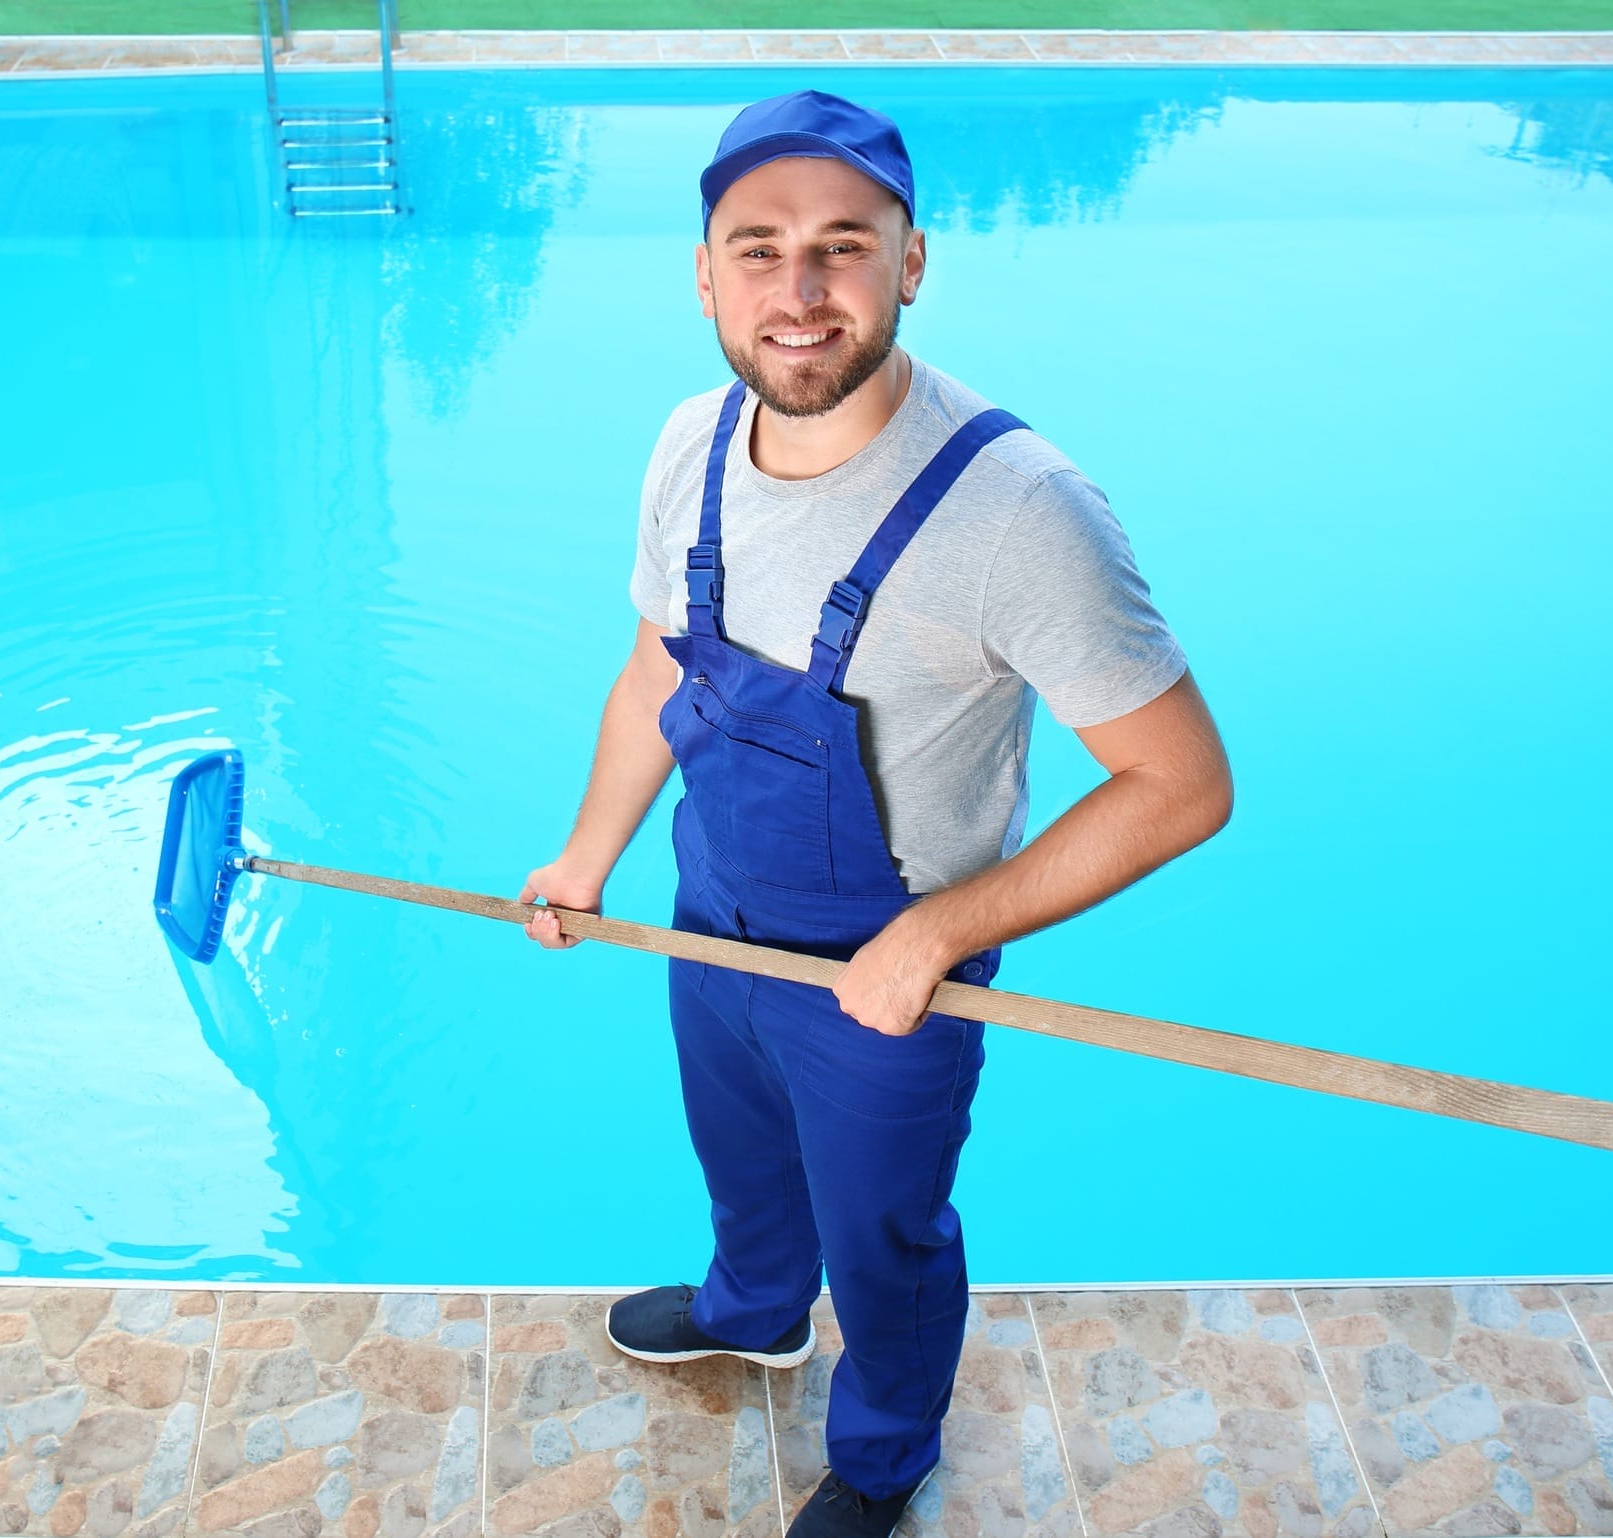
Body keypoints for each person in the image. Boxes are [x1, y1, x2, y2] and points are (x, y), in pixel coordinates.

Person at [518, 89, 1233, 1538]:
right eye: (759, 248)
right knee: (740, 1153)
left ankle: (887, 1452)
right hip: (710, 913)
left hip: (889, 973)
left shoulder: (1022, 511)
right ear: (705, 273)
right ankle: (754, 1309)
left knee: (886, 1236)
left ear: (912, 261)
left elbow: (1184, 786)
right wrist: (590, 855)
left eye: (843, 247)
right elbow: (658, 660)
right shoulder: (690, 445)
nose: (800, 292)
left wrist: (940, 936)